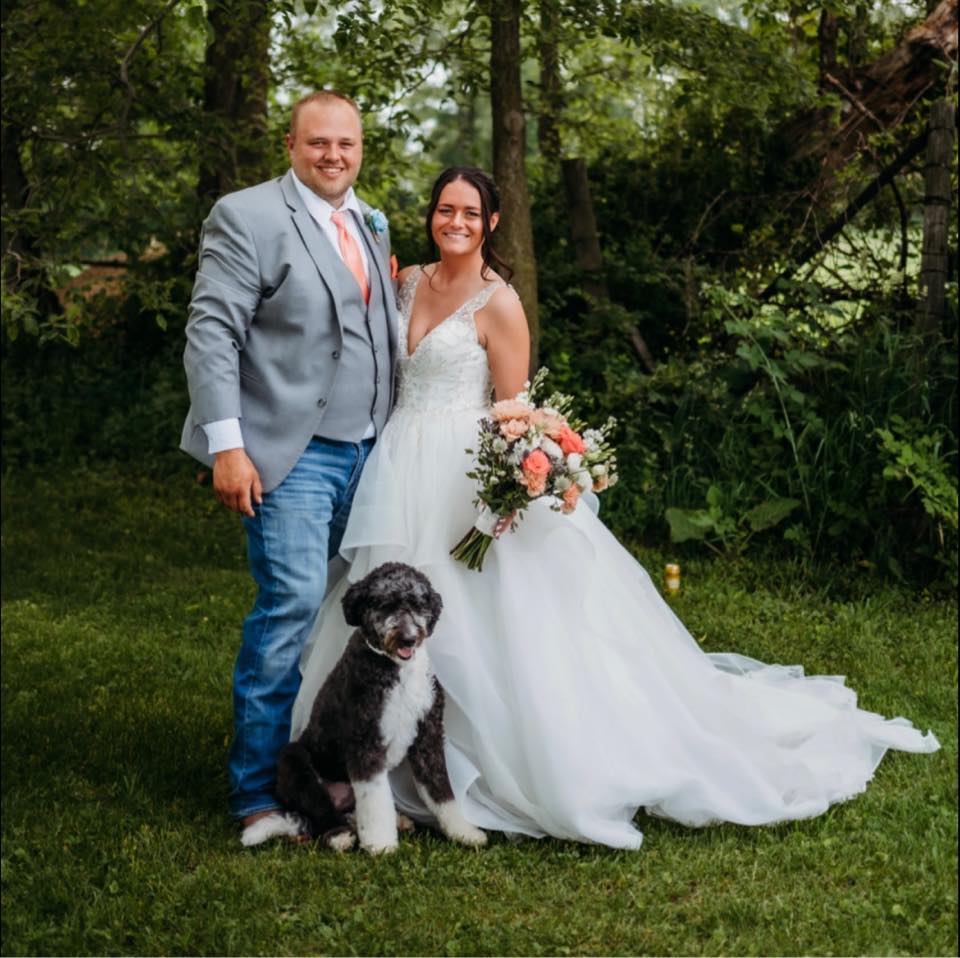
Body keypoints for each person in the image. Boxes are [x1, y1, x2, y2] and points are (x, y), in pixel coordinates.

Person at [291, 166, 940, 850]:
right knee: (382, 613)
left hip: (460, 476)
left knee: (488, 626)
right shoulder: (407, 280)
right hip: (400, 464)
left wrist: (505, 491)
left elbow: (512, 411)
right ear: (432, 215)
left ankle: (480, 772)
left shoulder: (499, 301)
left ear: (492, 222)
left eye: (471, 213)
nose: (456, 222)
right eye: (446, 210)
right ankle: (376, 765)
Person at [181, 91, 398, 846]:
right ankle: (254, 794)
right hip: (289, 456)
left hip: (371, 453)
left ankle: (326, 774)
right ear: (290, 145)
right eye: (318, 143)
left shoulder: (370, 222)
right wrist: (227, 443)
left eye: (346, 143)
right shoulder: (247, 215)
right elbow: (211, 332)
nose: (333, 155)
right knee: (292, 608)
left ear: (361, 147)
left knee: (348, 619)